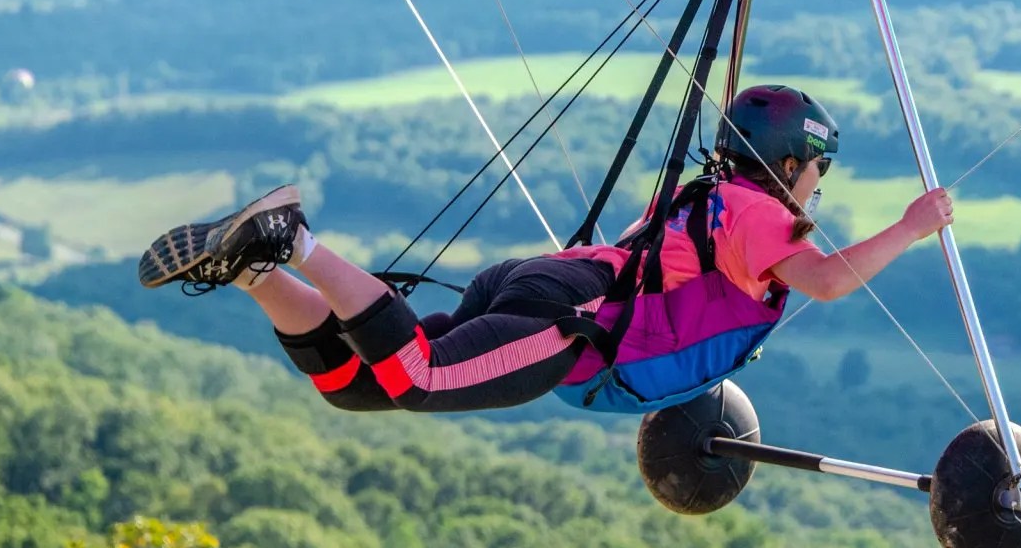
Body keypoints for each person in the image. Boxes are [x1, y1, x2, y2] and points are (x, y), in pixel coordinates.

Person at [138, 85, 953, 413]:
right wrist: (910, 227)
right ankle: (294, 241)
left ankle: (250, 268)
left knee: (360, 386)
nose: (816, 187)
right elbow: (827, 280)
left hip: (547, 284)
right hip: (570, 319)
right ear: (789, 163)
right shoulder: (761, 215)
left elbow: (647, 266)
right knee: (418, 377)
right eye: (816, 170)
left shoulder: (699, 197)